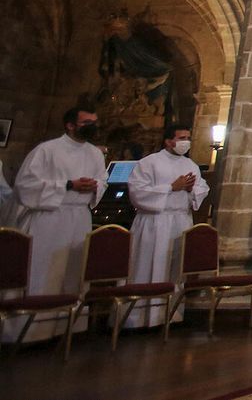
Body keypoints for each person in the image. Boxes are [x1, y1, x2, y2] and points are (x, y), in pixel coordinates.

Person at [7, 107, 106, 340]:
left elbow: (103, 181)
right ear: (70, 125)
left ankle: (65, 328)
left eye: (95, 121)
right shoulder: (47, 150)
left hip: (79, 217)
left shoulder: (95, 154)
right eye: (86, 122)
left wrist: (95, 187)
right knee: (40, 271)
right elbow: (25, 186)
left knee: (71, 273)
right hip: (48, 218)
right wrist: (68, 185)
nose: (92, 125)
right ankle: (28, 332)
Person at [124, 125, 209, 328]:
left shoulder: (191, 165)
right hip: (154, 222)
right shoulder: (149, 163)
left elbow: (202, 188)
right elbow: (137, 192)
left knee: (173, 269)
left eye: (188, 138)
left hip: (180, 222)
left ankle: (170, 315)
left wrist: (191, 189)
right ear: (169, 141)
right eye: (181, 138)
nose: (185, 142)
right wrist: (171, 187)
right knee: (147, 266)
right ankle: (138, 319)